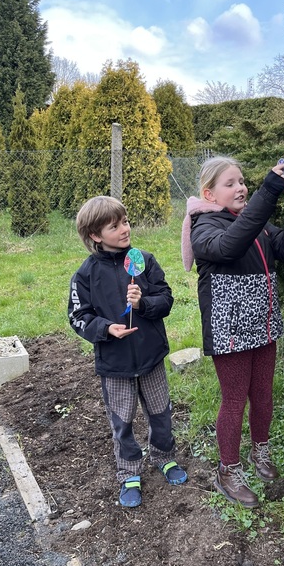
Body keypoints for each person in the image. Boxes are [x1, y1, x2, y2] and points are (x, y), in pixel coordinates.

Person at [181, 157, 284, 508]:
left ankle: (260, 451)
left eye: (242, 181)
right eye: (231, 183)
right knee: (235, 400)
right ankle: (228, 470)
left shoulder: (257, 224)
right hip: (231, 331)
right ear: (209, 194)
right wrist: (269, 191)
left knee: (263, 394)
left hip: (263, 324)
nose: (241, 188)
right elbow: (230, 245)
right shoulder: (204, 226)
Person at [69, 195, 187, 508]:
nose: (125, 229)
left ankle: (164, 456)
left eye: (125, 222)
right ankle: (129, 472)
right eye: (114, 226)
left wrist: (142, 303)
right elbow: (78, 316)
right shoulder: (85, 275)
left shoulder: (143, 261)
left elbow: (166, 299)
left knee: (161, 412)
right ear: (95, 235)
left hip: (151, 357)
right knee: (122, 421)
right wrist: (106, 328)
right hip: (115, 363)